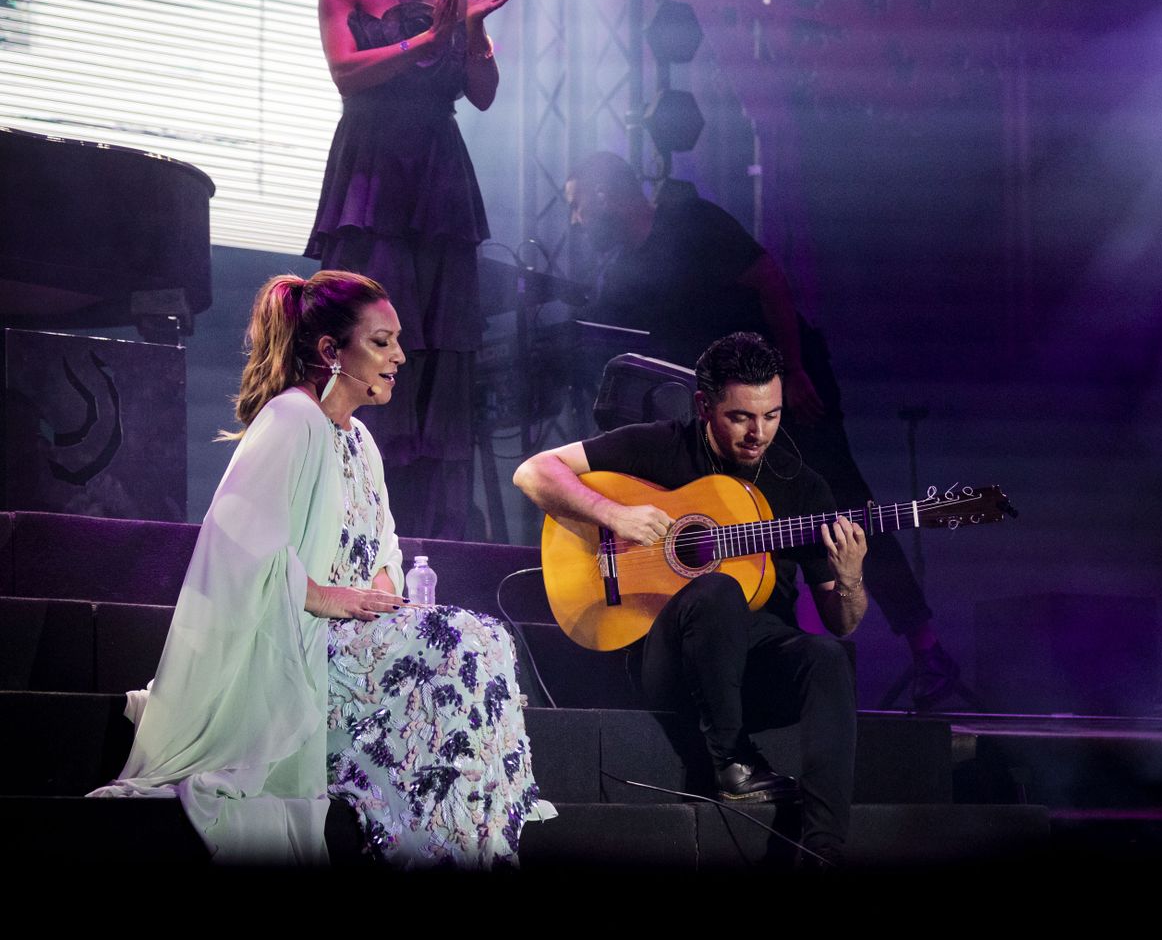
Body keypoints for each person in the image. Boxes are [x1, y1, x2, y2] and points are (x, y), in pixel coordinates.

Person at [90, 271, 553, 867]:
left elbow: (381, 545)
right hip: (302, 642)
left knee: (481, 636)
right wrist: (327, 598)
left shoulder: (360, 438)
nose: (399, 357)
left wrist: (382, 600)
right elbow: (240, 547)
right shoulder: (291, 420)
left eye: (397, 341)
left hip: (357, 639)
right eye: (381, 342)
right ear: (332, 351)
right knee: (464, 642)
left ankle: (467, 839)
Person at [565, 151, 962, 709]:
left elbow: (770, 281)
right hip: (722, 420)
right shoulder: (623, 272)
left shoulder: (691, 224)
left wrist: (793, 371)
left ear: (606, 195)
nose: (576, 220)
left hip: (787, 391)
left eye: (577, 203)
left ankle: (927, 648)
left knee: (847, 508)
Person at [515, 333, 866, 862]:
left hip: (754, 671)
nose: (759, 433)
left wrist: (851, 579)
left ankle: (824, 848)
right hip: (669, 660)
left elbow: (842, 622)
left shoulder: (802, 487)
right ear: (704, 406)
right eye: (741, 417)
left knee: (827, 655)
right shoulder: (660, 446)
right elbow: (533, 471)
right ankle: (732, 763)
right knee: (719, 587)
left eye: (771, 416)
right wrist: (613, 514)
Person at [305, 0, 515, 540]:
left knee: (438, 348)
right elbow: (346, 71)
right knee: (370, 333)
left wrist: (473, 30)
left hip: (438, 183)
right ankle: (349, 515)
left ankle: (428, 533)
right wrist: (430, 40)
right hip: (374, 179)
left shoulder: (440, 0)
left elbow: (482, 92)